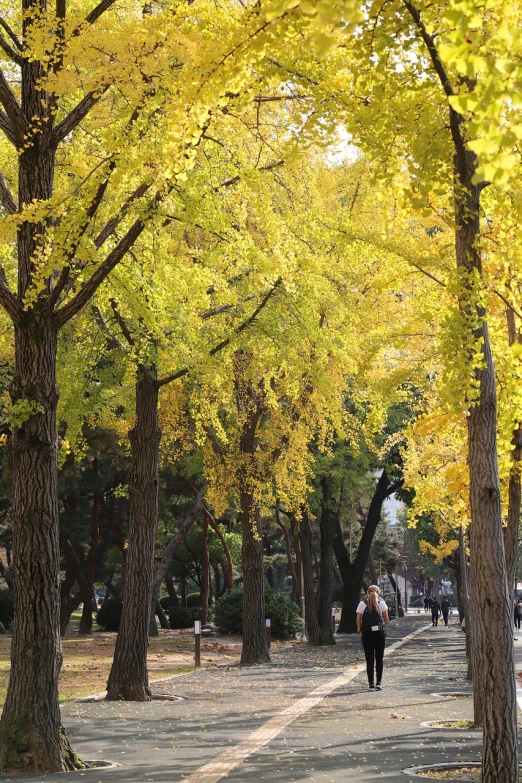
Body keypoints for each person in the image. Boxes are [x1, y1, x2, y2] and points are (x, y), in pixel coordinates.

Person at [356, 585, 389, 691]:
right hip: (379, 634)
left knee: (369, 659)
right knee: (379, 658)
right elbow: (386, 619)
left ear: (367, 593)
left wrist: (361, 632)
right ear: (378, 592)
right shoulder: (381, 603)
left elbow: (358, 620)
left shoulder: (362, 604)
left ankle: (371, 684)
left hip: (366, 635)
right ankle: (378, 683)